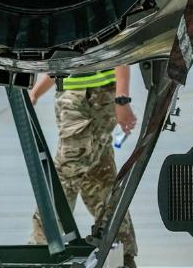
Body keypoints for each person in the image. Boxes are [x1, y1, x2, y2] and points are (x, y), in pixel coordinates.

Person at [27, 66, 139, 268]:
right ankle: (120, 252)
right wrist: (35, 92)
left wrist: (122, 99)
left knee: (64, 179)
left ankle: (41, 249)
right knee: (99, 181)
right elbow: (64, 60)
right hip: (82, 98)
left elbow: (118, 57)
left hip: (88, 100)